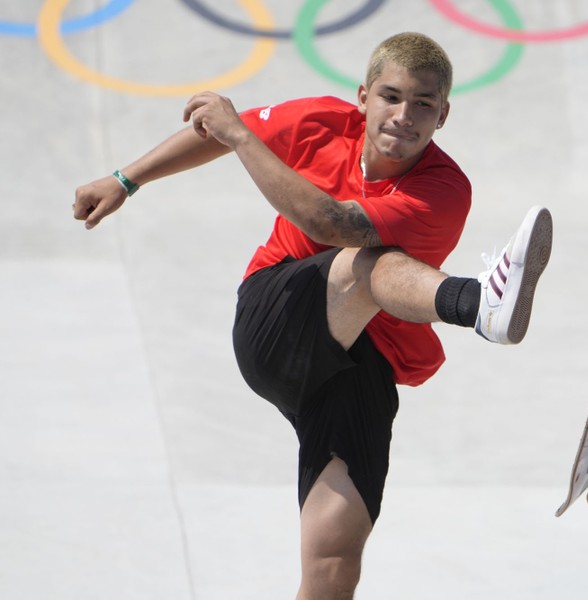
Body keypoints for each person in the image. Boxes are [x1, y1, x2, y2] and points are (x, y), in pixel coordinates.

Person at [73, 32, 551, 599]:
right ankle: (477, 305)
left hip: (360, 361)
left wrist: (240, 135)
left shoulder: (444, 190)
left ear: (442, 115)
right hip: (274, 319)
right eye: (390, 97)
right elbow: (217, 136)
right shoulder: (321, 122)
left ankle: (483, 306)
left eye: (423, 104)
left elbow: (331, 223)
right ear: (362, 97)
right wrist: (126, 179)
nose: (404, 116)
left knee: (335, 558)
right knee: (366, 265)